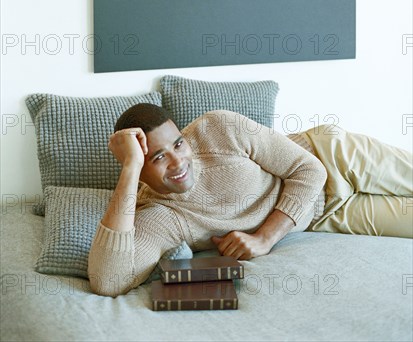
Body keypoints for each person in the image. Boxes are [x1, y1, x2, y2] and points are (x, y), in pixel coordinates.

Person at [88, 103, 413, 297]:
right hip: (324, 216)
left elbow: (309, 170)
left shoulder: (218, 127)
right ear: (138, 170)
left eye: (179, 144)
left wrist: (264, 238)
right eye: (158, 157)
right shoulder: (161, 216)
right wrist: (130, 167)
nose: (178, 162)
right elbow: (108, 281)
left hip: (332, 157)